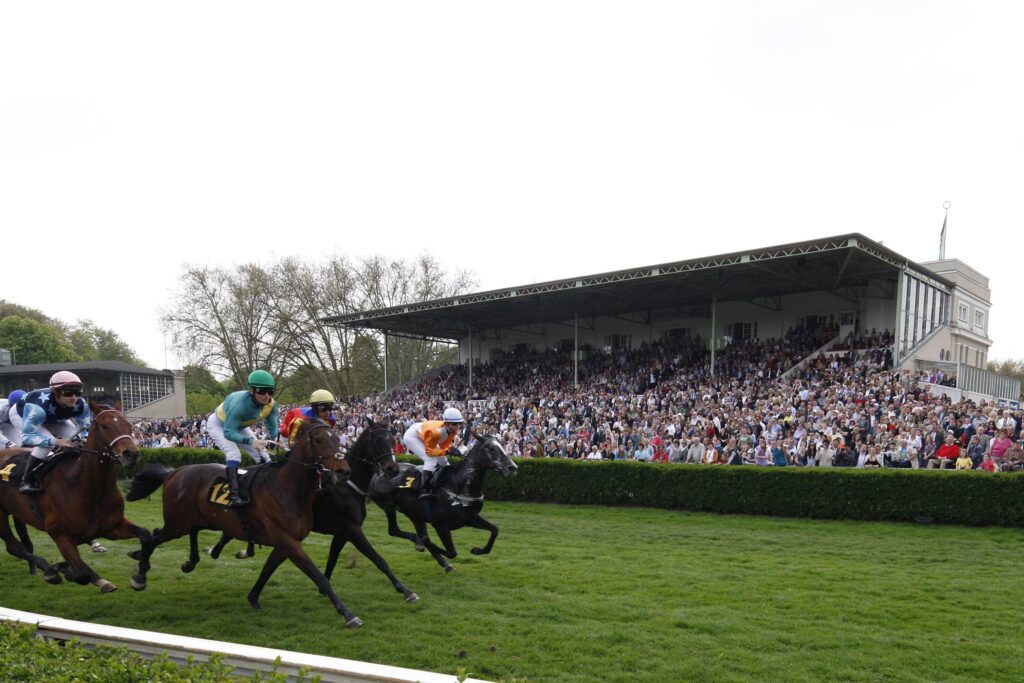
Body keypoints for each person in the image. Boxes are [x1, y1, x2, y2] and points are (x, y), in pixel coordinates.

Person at [206, 370, 280, 507]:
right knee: (234, 454)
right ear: (252, 390)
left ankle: (264, 489)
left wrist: (279, 440)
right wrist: (252, 441)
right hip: (219, 425)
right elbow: (229, 433)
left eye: (270, 392)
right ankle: (233, 495)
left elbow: (273, 428)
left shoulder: (271, 404)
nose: (267, 396)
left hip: (239, 426)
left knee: (263, 455)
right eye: (262, 391)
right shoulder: (239, 405)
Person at [16, 372, 91, 494]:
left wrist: (85, 438)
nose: (74, 398)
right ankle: (26, 480)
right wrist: (56, 441)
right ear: (56, 393)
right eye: (67, 393)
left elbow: (86, 428)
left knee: (76, 442)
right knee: (48, 444)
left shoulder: (82, 404)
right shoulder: (37, 408)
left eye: (78, 392)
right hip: (24, 416)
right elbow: (27, 438)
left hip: (55, 418)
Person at [402, 407, 464, 499]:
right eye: (455, 424)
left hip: (426, 437)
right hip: (412, 436)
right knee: (430, 460)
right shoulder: (436, 432)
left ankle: (447, 487)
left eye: (460, 423)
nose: (458, 426)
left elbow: (444, 446)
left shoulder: (453, 431)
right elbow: (430, 452)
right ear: (446, 423)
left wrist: (452, 449)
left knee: (444, 462)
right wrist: (448, 450)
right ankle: (424, 490)